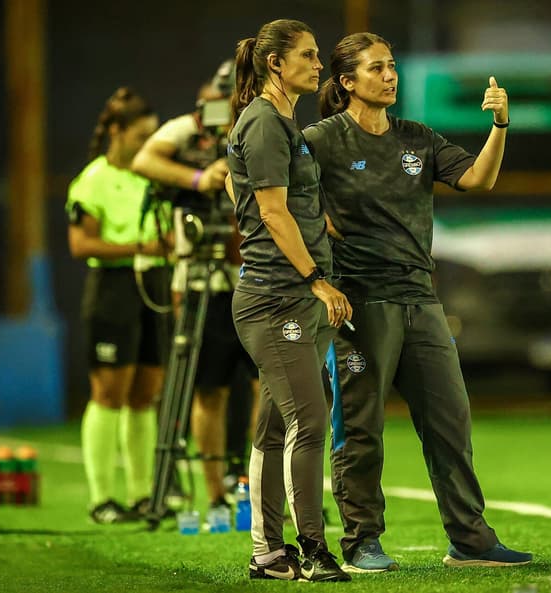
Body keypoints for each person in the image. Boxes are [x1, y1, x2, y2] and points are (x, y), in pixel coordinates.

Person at [302, 32, 533, 572]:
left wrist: (500, 125)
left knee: (450, 422)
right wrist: (317, 225)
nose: (390, 76)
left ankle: (470, 541)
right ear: (347, 81)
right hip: (358, 302)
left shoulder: (417, 138)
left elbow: (477, 178)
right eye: (376, 68)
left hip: (421, 300)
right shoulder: (321, 139)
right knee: (360, 428)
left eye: (391, 66)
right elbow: (260, 188)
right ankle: (361, 541)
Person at [225, 18, 352, 583]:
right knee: (310, 418)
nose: (319, 65)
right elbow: (272, 212)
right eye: (308, 55)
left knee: (276, 427)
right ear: (275, 63)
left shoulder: (280, 122)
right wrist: (316, 278)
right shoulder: (262, 122)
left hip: (292, 294)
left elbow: (245, 189)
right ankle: (314, 550)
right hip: (276, 297)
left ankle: (268, 554)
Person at [131, 65, 260, 518]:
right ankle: (214, 493)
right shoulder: (189, 129)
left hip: (255, 274)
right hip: (202, 277)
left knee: (269, 386)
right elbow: (144, 161)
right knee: (209, 389)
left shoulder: (260, 125)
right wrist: (198, 179)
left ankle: (262, 485)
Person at [66, 87, 169, 524]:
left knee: (145, 394)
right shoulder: (93, 180)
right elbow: (80, 244)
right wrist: (140, 247)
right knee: (109, 392)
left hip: (156, 285)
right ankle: (102, 499)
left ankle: (143, 495)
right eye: (140, 136)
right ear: (117, 131)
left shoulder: (155, 175)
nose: (147, 144)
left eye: (152, 136)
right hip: (113, 289)